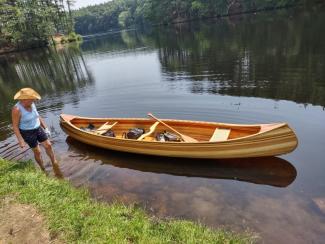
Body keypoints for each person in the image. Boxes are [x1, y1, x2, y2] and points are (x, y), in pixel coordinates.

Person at [11, 88, 58, 172]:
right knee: (38, 151)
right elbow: (15, 126)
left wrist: (46, 128)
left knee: (48, 145)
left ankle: (54, 162)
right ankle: (42, 168)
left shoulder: (32, 104)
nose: (34, 100)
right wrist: (20, 140)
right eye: (32, 98)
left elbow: (38, 116)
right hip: (27, 132)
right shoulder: (16, 109)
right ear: (24, 99)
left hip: (38, 128)